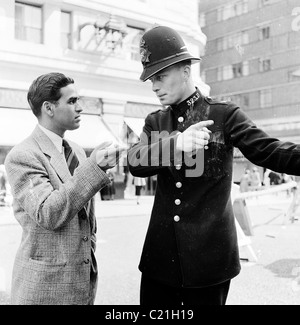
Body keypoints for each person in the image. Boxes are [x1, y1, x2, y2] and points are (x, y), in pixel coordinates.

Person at [127, 25, 300, 306]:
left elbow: (269, 151)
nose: (155, 85)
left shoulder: (223, 114)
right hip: (160, 262)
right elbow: (134, 161)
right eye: (151, 79)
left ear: (186, 70)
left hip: (209, 261)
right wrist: (176, 145)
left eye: (160, 76)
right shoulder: (155, 122)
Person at [4, 72, 124, 305]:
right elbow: (49, 213)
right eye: (72, 101)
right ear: (49, 108)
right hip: (44, 289)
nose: (80, 108)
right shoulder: (22, 155)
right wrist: (95, 166)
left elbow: (86, 216)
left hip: (81, 284)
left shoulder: (77, 150)